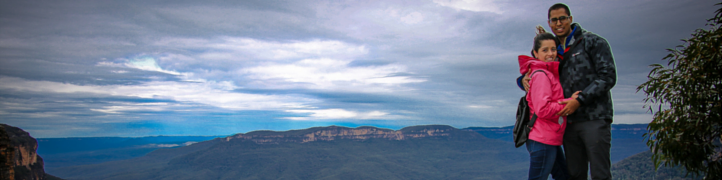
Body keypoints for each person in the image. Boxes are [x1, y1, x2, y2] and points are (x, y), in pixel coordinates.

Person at [520, 3, 617, 180]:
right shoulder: (552, 48)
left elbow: (608, 76)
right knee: (574, 174)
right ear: (549, 23)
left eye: (562, 18)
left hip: (593, 118)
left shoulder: (592, 42)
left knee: (600, 173)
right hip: (567, 122)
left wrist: (579, 100)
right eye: (554, 20)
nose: (559, 23)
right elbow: (537, 71)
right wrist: (522, 80)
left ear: (570, 19)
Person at [518, 30, 577, 180]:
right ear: (535, 53)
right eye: (545, 50)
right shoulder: (541, 75)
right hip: (542, 139)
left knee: (563, 176)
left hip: (548, 137)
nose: (550, 53)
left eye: (553, 49)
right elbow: (543, 109)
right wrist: (568, 104)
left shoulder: (548, 72)